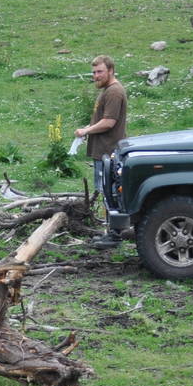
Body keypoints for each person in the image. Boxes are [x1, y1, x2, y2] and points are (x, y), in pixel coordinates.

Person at [74, 54, 128, 248]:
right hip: (103, 151)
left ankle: (115, 235)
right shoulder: (107, 90)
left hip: (109, 152)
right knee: (107, 193)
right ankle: (110, 233)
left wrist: (87, 130)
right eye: (94, 72)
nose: (96, 75)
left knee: (110, 193)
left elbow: (109, 122)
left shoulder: (114, 92)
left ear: (111, 71)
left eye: (100, 72)